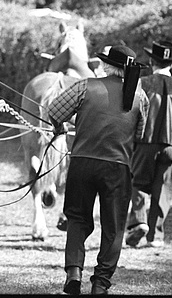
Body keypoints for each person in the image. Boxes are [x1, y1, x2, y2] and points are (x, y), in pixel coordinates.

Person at [48, 45, 149, 295]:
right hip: (118, 167)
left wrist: (69, 123)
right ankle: (101, 283)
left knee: (78, 219)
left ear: (105, 65)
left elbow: (53, 111)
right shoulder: (140, 96)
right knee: (113, 227)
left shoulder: (85, 86)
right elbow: (140, 133)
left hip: (83, 162)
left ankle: (74, 271)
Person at [125, 40, 172, 249]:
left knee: (137, 182)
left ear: (150, 61)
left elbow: (129, 114)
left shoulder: (141, 83)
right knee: (163, 188)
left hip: (143, 143)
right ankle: (155, 236)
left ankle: (138, 221)